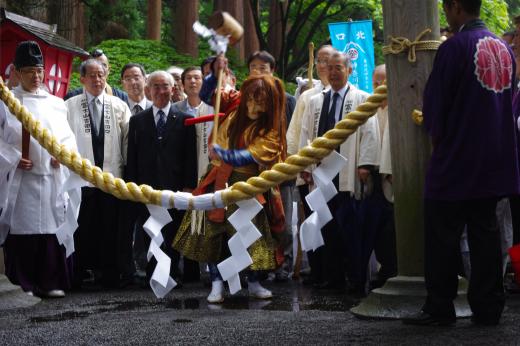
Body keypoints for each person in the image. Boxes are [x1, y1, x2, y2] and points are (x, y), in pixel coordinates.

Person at [403, 0, 519, 326]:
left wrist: (436, 138)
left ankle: (440, 306)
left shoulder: (454, 47)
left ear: (455, 6)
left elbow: (436, 105)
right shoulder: (504, 48)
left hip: (458, 157)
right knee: (486, 233)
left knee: (442, 234)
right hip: (495, 157)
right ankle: (488, 306)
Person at [174, 60, 287, 303]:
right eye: (251, 99)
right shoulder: (235, 101)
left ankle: (254, 282)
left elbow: (256, 153)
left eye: (261, 102)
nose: (254, 106)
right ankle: (216, 282)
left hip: (249, 184)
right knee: (213, 234)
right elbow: (206, 94)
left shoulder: (271, 126)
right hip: (218, 177)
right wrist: (215, 73)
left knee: (251, 234)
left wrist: (227, 154)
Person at [0, 41, 79, 298]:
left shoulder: (56, 104)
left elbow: (67, 138)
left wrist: (63, 157)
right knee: (23, 228)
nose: (35, 76)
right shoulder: (7, 102)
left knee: (51, 228)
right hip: (22, 177)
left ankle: (50, 280)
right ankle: (23, 282)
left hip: (52, 176)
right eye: (29, 71)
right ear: (17, 72)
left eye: (39, 71)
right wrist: (12, 158)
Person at [298, 51, 380, 295]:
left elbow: (370, 133)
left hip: (347, 169)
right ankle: (332, 277)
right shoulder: (315, 101)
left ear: (349, 70)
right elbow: (306, 135)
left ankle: (355, 278)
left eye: (338, 68)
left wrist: (365, 164)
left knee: (351, 227)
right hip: (322, 171)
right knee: (327, 226)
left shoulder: (361, 99)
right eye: (330, 68)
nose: (333, 72)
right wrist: (305, 166)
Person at [125, 71, 198, 288]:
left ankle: (173, 272)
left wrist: (188, 186)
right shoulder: (137, 120)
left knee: (173, 232)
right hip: (147, 188)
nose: (160, 91)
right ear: (148, 90)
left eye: (165, 86)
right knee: (150, 231)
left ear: (173, 89)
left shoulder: (185, 120)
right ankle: (152, 274)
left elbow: (190, 157)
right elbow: (132, 157)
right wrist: (132, 187)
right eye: (155, 86)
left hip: (175, 187)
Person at [65, 58, 131, 288]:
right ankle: (80, 272)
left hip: (111, 178)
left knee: (110, 228)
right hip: (80, 179)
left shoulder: (119, 105)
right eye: (91, 75)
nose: (97, 79)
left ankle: (109, 273)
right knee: (82, 227)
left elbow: (127, 143)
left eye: (101, 75)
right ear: (82, 78)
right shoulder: (69, 105)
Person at [286, 45, 334, 282]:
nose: (324, 65)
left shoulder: (352, 94)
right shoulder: (307, 97)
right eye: (321, 61)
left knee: (335, 222)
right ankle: (318, 271)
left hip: (337, 170)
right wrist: (301, 167)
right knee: (313, 220)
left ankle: (338, 270)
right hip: (309, 172)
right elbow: (295, 135)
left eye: (329, 61)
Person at [246, 51, 296, 281]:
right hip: (252, 172)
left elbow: (293, 135)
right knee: (258, 221)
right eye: (254, 67)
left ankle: (283, 263)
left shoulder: (288, 99)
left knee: (281, 221)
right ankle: (261, 266)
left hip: (280, 171)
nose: (258, 72)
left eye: (263, 68)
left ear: (272, 71)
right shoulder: (244, 98)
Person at [170, 66, 214, 283]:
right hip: (184, 175)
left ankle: (213, 270)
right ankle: (187, 269)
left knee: (210, 222)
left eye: (198, 78)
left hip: (209, 172)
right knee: (184, 222)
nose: (193, 82)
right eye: (189, 78)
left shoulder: (214, 108)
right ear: (182, 84)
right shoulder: (175, 109)